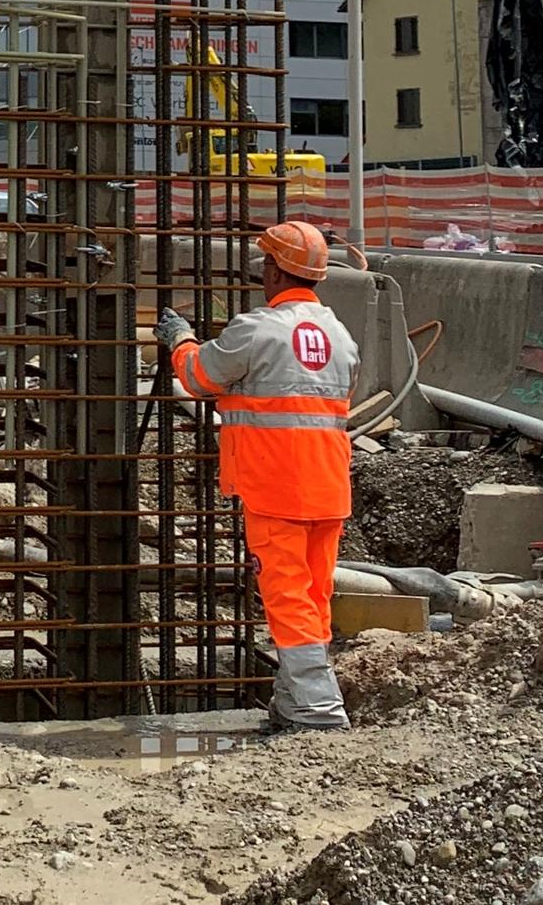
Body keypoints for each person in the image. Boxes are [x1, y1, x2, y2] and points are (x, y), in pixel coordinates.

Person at [157, 219, 360, 733]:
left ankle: (318, 711)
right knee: (313, 595)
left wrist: (180, 338)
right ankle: (293, 705)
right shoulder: (340, 336)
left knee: (286, 595)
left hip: (276, 485)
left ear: (273, 269)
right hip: (329, 485)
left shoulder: (258, 329)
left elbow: (199, 377)